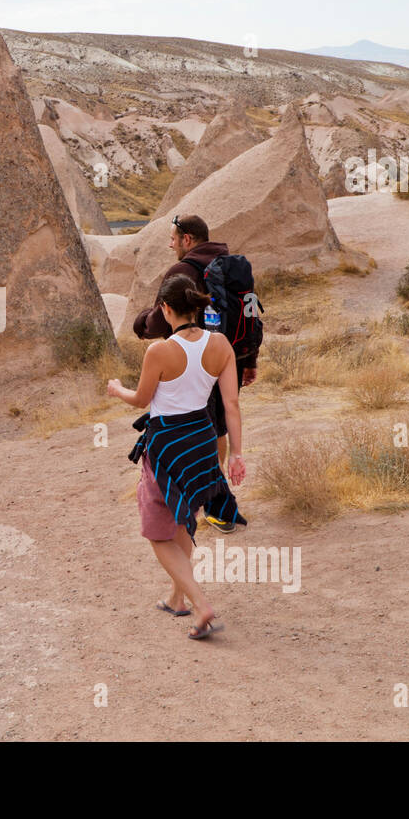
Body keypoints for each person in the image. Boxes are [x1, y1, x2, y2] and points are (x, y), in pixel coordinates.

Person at [108, 274, 245, 640]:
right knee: (185, 517)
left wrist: (117, 389)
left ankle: (201, 605)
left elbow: (141, 399)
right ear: (197, 305)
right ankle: (177, 598)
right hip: (202, 438)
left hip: (169, 443)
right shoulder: (220, 345)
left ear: (166, 309)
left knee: (156, 531)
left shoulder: (159, 350)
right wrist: (236, 454)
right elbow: (230, 404)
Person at [132, 213, 254, 533]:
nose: (170, 244)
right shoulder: (231, 263)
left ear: (188, 239)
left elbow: (160, 319)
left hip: (193, 358)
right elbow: (251, 310)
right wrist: (250, 358)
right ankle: (216, 503)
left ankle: (208, 502)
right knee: (219, 429)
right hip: (227, 355)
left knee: (200, 429)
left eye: (173, 238)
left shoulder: (183, 270)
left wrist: (141, 324)